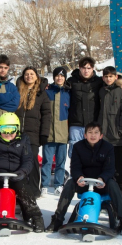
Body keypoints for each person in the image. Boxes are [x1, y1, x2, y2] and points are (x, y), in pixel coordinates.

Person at [48, 122, 122, 235]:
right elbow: (75, 167)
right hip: (84, 183)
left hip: (101, 184)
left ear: (101, 135)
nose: (93, 135)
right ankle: (58, 219)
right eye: (90, 132)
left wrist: (103, 178)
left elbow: (110, 169)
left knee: (113, 184)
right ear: (85, 135)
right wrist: (79, 177)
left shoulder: (108, 147)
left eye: (96, 133)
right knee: (69, 184)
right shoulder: (78, 147)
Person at [15, 66, 51, 198]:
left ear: (36, 76)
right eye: (26, 74)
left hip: (34, 133)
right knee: (18, 160)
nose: (29, 76)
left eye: (32, 74)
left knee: (33, 160)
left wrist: (44, 134)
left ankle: (35, 189)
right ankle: (20, 188)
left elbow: (47, 114)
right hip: (17, 133)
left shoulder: (41, 93)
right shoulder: (17, 91)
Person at [97, 66, 122, 188]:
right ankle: (105, 184)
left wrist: (121, 130)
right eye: (106, 76)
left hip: (117, 133)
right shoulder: (102, 91)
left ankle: (119, 185)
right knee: (105, 161)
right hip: (103, 133)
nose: (108, 79)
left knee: (118, 162)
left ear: (116, 77)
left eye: (111, 76)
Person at [66, 57, 103, 160]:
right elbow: (58, 85)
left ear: (93, 69)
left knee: (93, 153)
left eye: (89, 68)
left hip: (92, 124)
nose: (86, 71)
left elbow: (112, 82)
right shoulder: (71, 81)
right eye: (84, 68)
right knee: (74, 153)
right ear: (79, 68)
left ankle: (91, 175)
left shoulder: (99, 82)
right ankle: (76, 174)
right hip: (76, 124)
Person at [42, 67, 71, 196]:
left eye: (62, 76)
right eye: (57, 76)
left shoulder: (68, 93)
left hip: (63, 133)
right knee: (47, 161)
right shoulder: (47, 92)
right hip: (49, 132)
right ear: (54, 77)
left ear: (65, 78)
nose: (59, 78)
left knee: (61, 161)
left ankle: (58, 184)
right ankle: (44, 184)